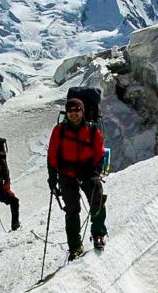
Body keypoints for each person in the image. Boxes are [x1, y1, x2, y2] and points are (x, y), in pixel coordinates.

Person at [47, 98, 107, 261]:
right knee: (72, 209)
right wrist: (52, 178)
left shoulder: (93, 131)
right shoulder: (59, 131)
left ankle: (99, 233)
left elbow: (99, 153)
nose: (74, 114)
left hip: (88, 172)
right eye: (71, 111)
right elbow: (52, 155)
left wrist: (96, 171)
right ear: (67, 113)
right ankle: (75, 246)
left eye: (77, 110)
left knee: (97, 201)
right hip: (67, 174)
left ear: (82, 111)